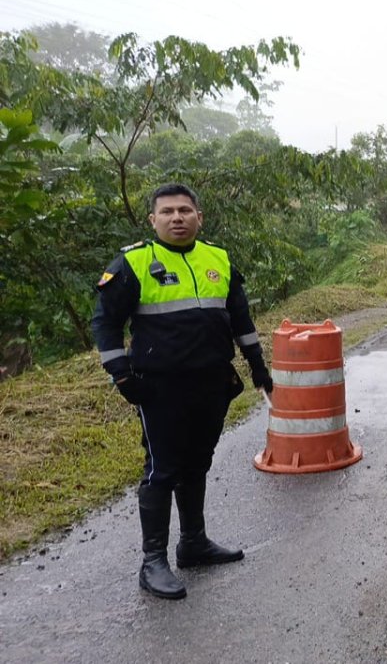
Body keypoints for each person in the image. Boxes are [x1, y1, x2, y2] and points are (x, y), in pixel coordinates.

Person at [91, 183, 270, 600]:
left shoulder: (218, 259)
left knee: (197, 463)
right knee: (162, 468)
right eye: (167, 212)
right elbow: (106, 323)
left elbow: (240, 318)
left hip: (211, 383)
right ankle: (152, 561)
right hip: (159, 388)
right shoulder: (135, 262)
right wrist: (120, 374)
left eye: (185, 210)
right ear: (153, 220)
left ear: (199, 217)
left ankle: (194, 543)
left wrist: (258, 367)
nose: (177, 218)